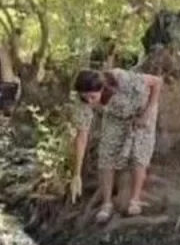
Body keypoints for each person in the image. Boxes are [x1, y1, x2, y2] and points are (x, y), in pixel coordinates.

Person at [70, 68, 163, 221]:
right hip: (115, 116)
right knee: (106, 155)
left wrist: (148, 112)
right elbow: (81, 136)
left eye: (93, 97)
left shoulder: (121, 79)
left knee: (139, 155)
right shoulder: (83, 102)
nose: (89, 102)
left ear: (101, 88)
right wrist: (76, 174)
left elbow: (157, 82)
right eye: (85, 98)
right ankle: (106, 204)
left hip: (142, 111)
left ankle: (135, 200)